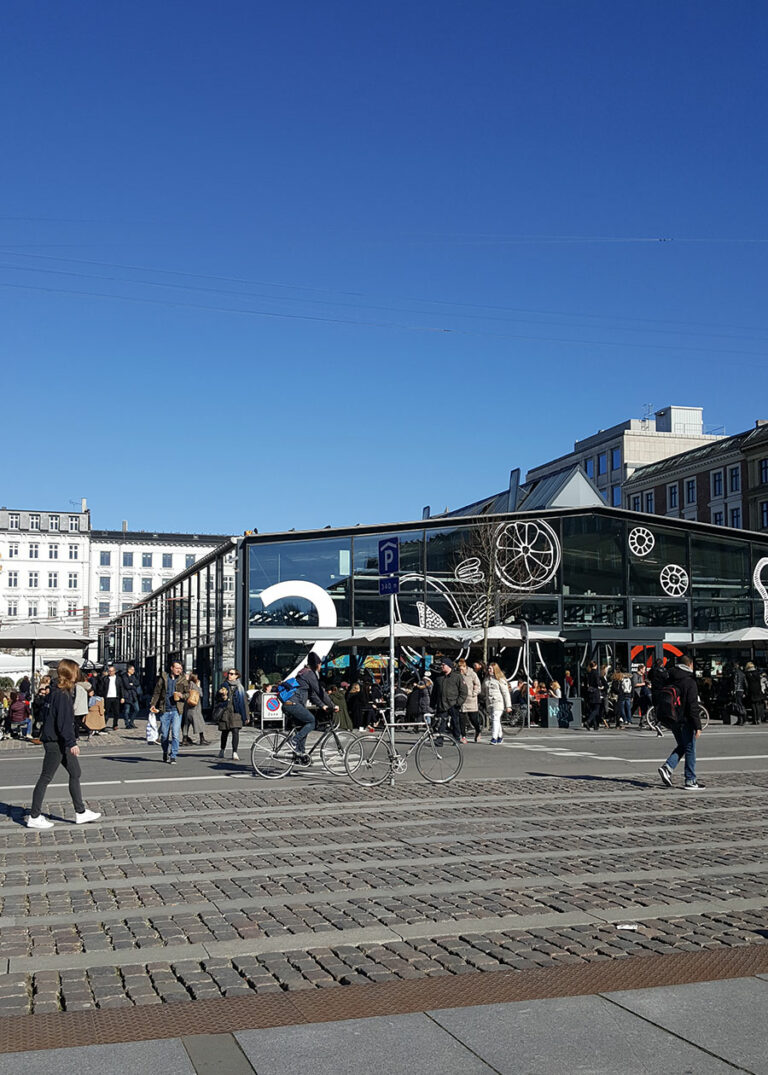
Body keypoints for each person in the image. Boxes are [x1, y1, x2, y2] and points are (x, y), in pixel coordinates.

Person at [27, 658, 101, 829]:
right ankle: (34, 816)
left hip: (57, 740)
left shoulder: (57, 691)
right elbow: (64, 722)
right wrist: (71, 742)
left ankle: (80, 812)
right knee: (46, 777)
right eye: (76, 671)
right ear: (70, 673)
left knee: (75, 772)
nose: (78, 674)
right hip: (56, 741)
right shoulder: (62, 694)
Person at [657, 654, 703, 790]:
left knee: (682, 746)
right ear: (690, 665)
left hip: (672, 719)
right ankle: (690, 780)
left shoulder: (669, 678)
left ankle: (668, 768)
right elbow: (692, 705)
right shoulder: (689, 681)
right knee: (690, 749)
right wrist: (698, 726)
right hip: (685, 719)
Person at [282, 652, 335, 761]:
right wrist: (332, 705)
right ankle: (294, 740)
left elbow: (312, 694)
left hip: (290, 703)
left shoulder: (303, 673)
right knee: (312, 721)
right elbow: (320, 692)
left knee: (303, 727)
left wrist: (323, 706)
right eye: (320, 664)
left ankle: (301, 756)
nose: (320, 667)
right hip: (293, 704)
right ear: (317, 664)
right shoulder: (310, 674)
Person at [149, 659, 189, 764]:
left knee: (175, 734)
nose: (179, 670)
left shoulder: (183, 679)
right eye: (177, 668)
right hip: (165, 709)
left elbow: (188, 693)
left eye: (180, 668)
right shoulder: (164, 678)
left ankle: (173, 755)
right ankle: (165, 751)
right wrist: (153, 704)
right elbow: (157, 692)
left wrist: (182, 695)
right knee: (165, 735)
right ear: (172, 668)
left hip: (177, 710)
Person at [433, 658, 467, 742]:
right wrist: (433, 703)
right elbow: (434, 692)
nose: (442, 666)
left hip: (453, 703)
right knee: (441, 723)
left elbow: (464, 691)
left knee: (455, 722)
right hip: (442, 704)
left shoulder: (457, 676)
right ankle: (439, 740)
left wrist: (458, 703)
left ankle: (456, 738)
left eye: (443, 665)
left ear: (449, 666)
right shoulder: (439, 677)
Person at [216, 668, 247, 759]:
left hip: (236, 712)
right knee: (224, 732)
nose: (229, 675)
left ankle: (235, 752)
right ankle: (222, 750)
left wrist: (246, 716)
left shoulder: (240, 687)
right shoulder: (223, 685)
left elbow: (244, 703)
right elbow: (216, 698)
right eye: (229, 673)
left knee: (235, 732)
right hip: (225, 712)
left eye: (232, 674)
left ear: (236, 676)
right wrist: (221, 695)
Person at [484, 663, 512, 744]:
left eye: (490, 668)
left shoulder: (500, 679)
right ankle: (500, 736)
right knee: (495, 719)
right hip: (489, 703)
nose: (489, 670)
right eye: (488, 668)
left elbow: (505, 693)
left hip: (498, 702)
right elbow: (483, 690)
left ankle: (494, 737)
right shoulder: (487, 679)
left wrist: (508, 706)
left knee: (495, 719)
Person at [458, 658, 482, 742]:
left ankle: (478, 731)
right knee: (462, 719)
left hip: (471, 700)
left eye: (462, 669)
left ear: (465, 667)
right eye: (459, 669)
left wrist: (474, 693)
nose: (460, 671)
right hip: (461, 700)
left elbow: (478, 685)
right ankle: (463, 736)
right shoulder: (458, 674)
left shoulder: (472, 674)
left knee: (473, 719)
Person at [183, 672, 211, 745]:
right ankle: (202, 739)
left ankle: (184, 739)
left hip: (187, 708)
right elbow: (200, 694)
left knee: (186, 724)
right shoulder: (194, 685)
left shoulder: (188, 684)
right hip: (195, 708)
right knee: (199, 723)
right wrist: (198, 686)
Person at [99, 665, 124, 730]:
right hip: (107, 697)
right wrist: (102, 696)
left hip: (116, 697)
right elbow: (101, 688)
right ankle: (103, 725)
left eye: (111, 671)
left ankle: (115, 724)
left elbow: (121, 688)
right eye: (109, 671)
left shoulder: (118, 678)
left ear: (114, 671)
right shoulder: (105, 679)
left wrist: (122, 697)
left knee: (116, 712)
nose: (110, 672)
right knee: (106, 712)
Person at [119, 663, 141, 730]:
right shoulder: (124, 676)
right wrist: (132, 685)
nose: (133, 671)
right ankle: (127, 723)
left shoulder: (134, 676)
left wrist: (132, 684)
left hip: (133, 695)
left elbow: (137, 683)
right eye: (132, 669)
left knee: (137, 709)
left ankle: (131, 721)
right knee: (126, 710)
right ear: (128, 670)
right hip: (127, 695)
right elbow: (126, 686)